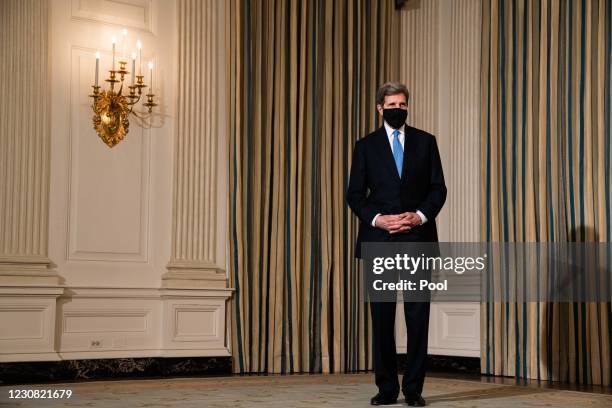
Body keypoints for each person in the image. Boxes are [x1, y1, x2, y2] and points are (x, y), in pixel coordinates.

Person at [346, 82, 447, 406]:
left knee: (418, 318)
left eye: (402, 104)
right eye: (391, 104)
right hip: (380, 241)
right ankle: (387, 388)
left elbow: (438, 189)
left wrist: (419, 215)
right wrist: (378, 219)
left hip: (418, 239)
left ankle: (414, 390)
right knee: (382, 318)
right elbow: (355, 195)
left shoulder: (426, 142)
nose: (397, 109)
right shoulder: (366, 146)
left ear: (407, 107)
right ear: (379, 107)